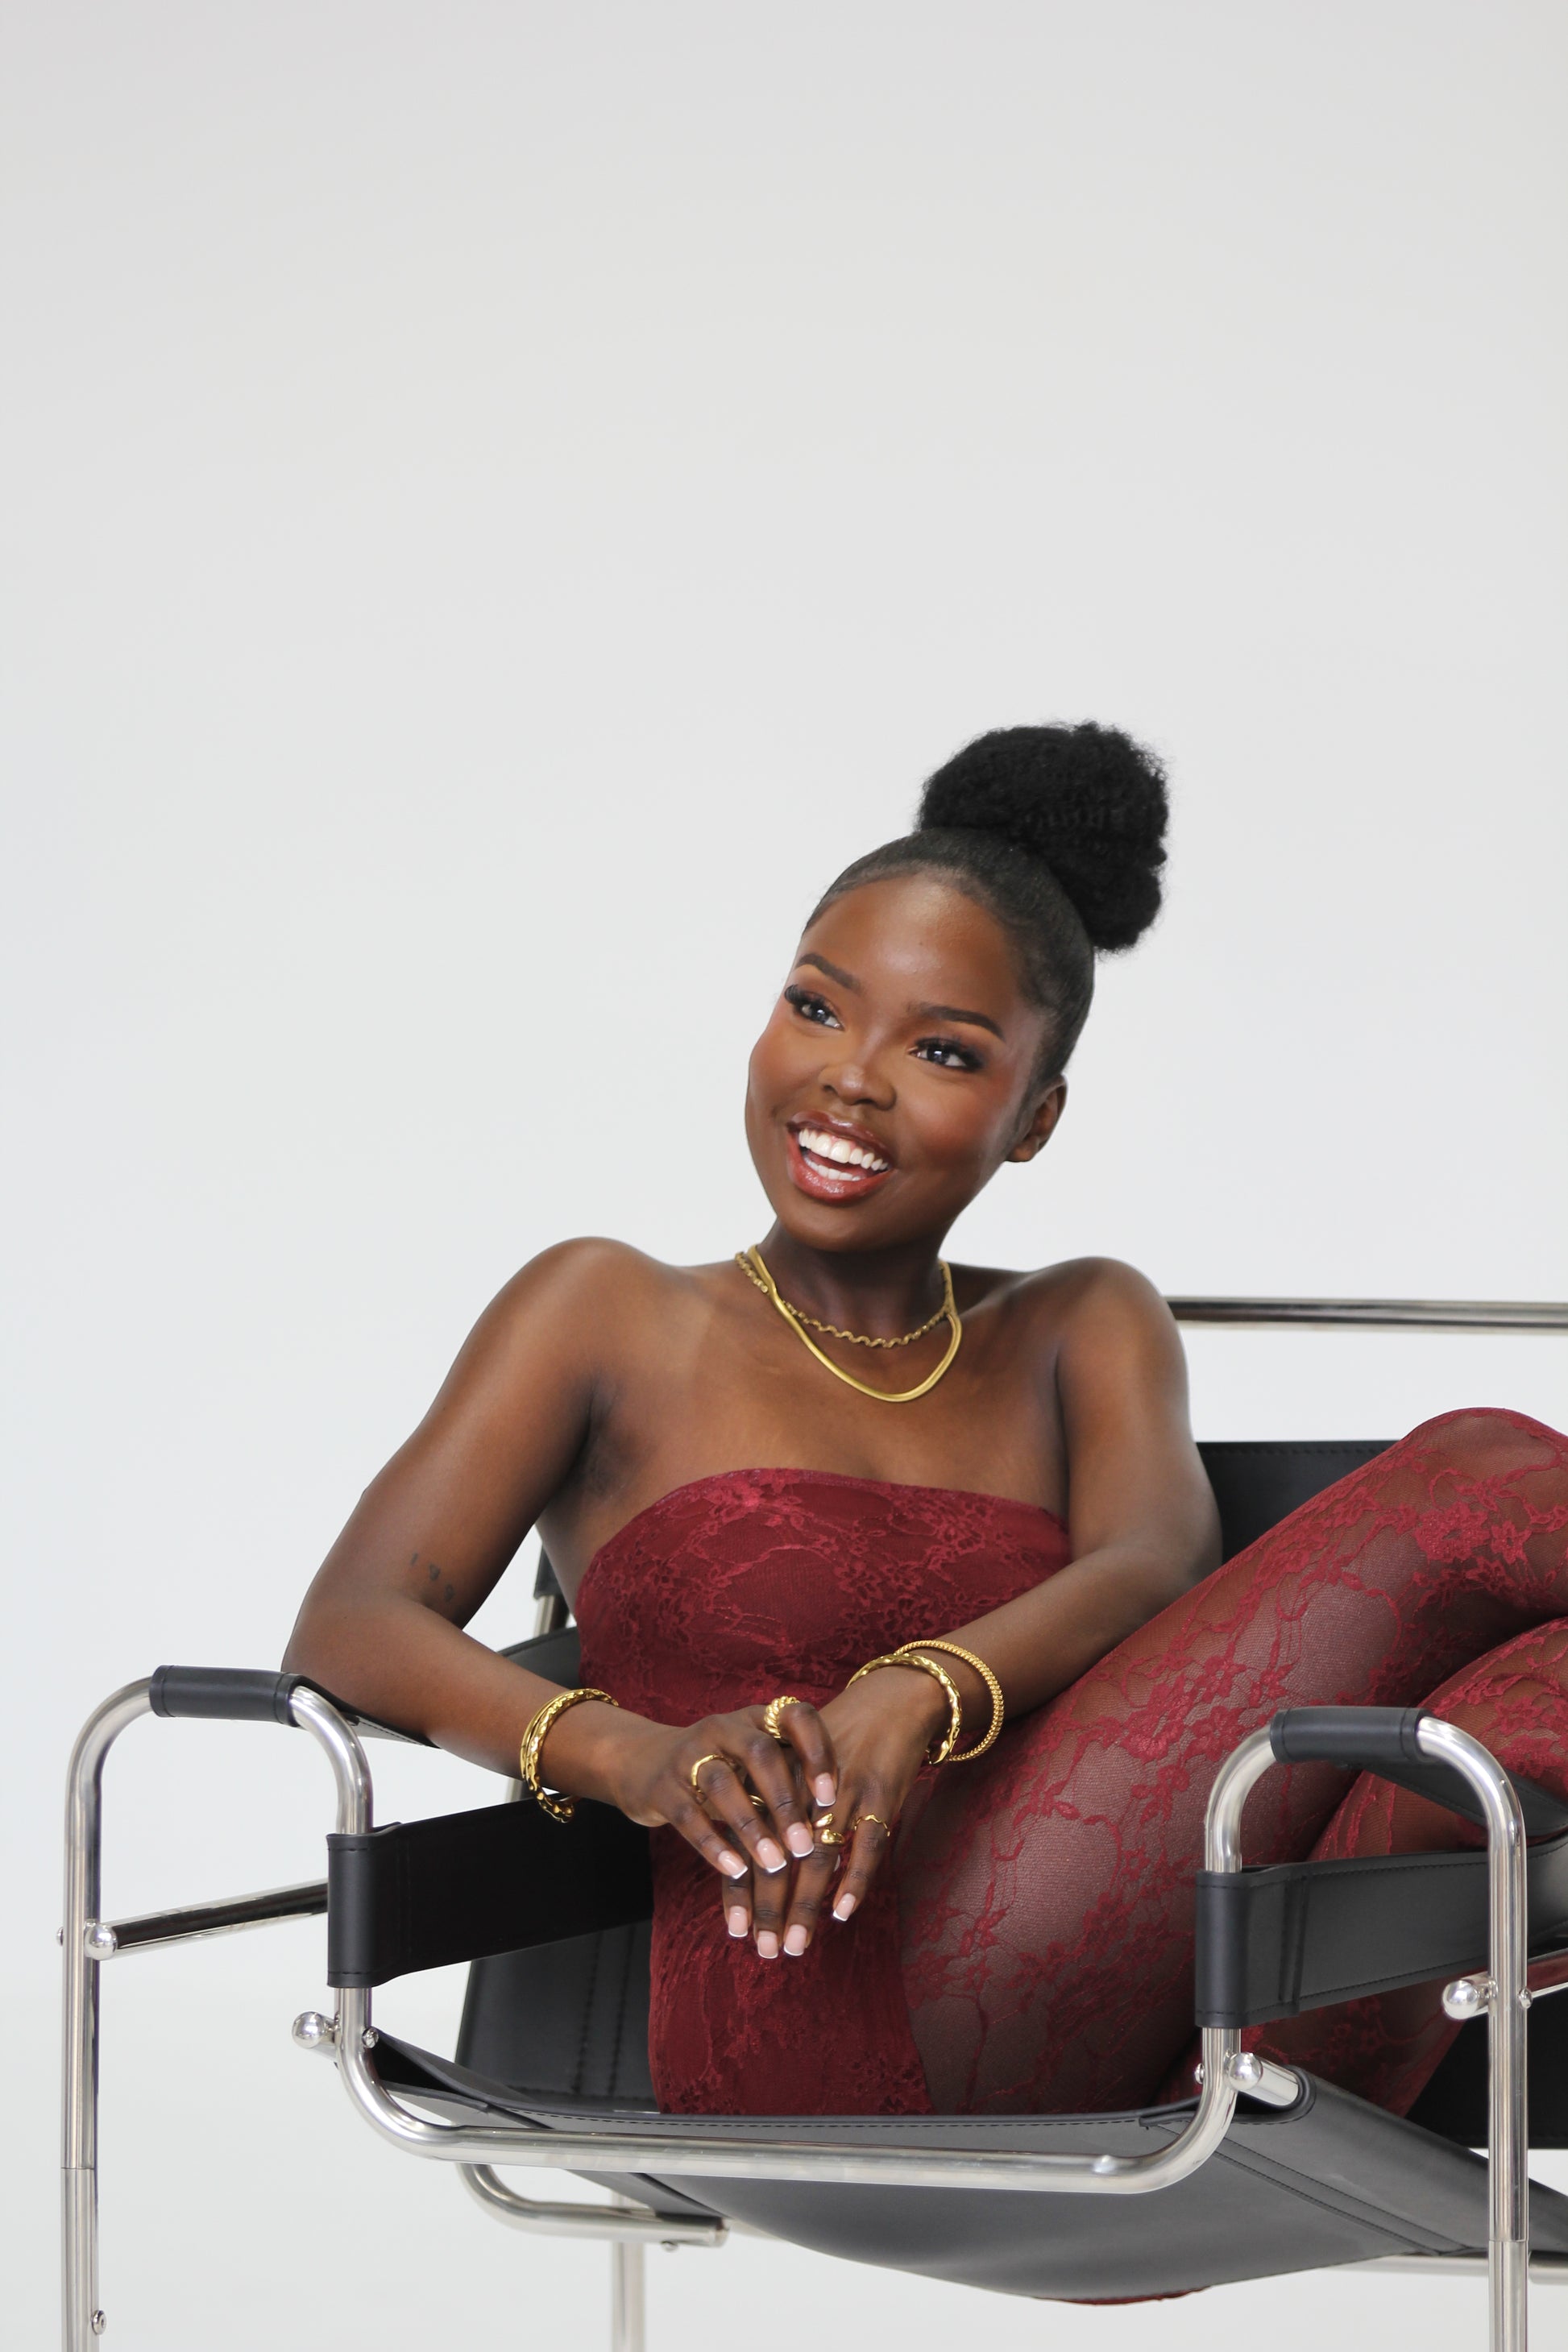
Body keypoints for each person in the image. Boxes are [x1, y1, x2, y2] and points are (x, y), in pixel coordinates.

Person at [284, 724, 1568, 2121]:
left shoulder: (1079, 1321)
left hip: (1163, 2003)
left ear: (1034, 1119)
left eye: (944, 1051)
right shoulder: (605, 1311)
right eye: (816, 1008)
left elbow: (1153, 1564)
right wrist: (635, 1756)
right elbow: (351, 1630)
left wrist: (918, 1688)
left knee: (1524, 1706)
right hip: (810, 2005)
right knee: (1471, 1480)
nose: (850, 1078)